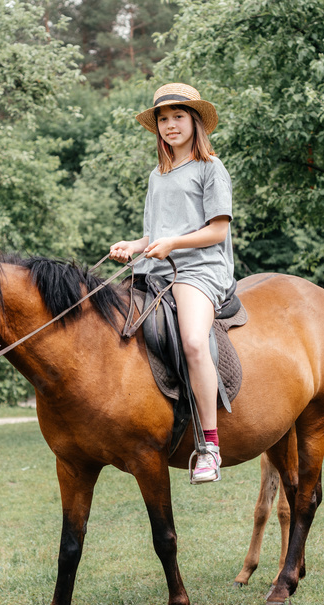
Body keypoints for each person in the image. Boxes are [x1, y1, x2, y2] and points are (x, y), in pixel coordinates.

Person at [110, 83, 233, 484]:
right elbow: (155, 234)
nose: (170, 125)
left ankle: (209, 446)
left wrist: (174, 243)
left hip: (199, 269)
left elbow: (216, 231)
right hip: (158, 270)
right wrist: (134, 245)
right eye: (163, 119)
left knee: (194, 341)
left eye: (178, 117)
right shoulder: (157, 176)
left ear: (195, 121)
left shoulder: (210, 167)